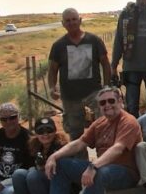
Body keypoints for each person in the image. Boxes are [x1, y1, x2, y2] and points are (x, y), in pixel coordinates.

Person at [40, 85, 143, 194]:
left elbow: (118, 149)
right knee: (61, 165)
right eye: (102, 103)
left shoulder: (128, 121)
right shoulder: (100, 122)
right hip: (102, 167)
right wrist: (54, 156)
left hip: (125, 172)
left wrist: (93, 167)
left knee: (99, 173)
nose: (107, 105)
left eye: (111, 101)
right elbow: (80, 143)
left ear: (120, 101)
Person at [47, 8, 111, 140]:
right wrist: (52, 87)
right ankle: (80, 161)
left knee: (103, 127)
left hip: (94, 92)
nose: (71, 23)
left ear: (80, 20)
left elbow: (105, 63)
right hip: (70, 96)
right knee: (76, 134)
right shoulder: (58, 45)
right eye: (68, 20)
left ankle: (105, 158)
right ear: (63, 23)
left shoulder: (94, 40)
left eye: (74, 19)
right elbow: (52, 69)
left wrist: (107, 87)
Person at [10, 116, 68, 194]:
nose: (45, 134)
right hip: (39, 182)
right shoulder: (34, 146)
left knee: (33, 175)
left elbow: (61, 169)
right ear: (36, 133)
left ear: (55, 131)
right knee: (18, 174)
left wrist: (42, 166)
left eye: (49, 130)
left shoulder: (61, 146)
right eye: (41, 131)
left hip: (57, 182)